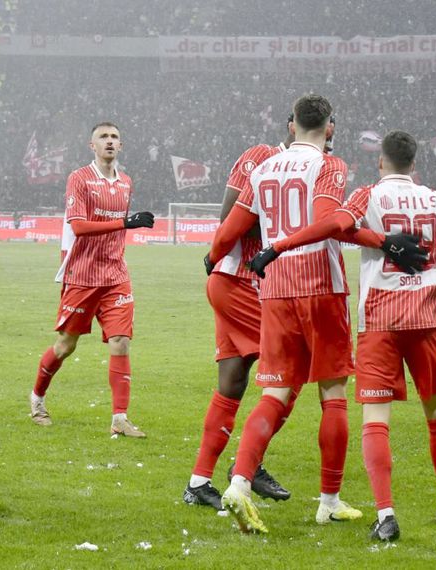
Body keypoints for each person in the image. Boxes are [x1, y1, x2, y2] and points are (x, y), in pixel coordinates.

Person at [205, 95, 424, 534]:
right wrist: (383, 240)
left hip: (275, 290)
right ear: (329, 128)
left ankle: (239, 484)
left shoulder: (263, 167)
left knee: (275, 393)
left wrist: (213, 258)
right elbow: (332, 222)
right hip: (320, 287)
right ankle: (329, 501)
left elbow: (229, 228)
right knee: (333, 393)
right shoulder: (330, 165)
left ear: (292, 126)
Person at [249, 130, 436, 542]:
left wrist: (279, 246)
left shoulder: (367, 195)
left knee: (377, 421)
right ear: (415, 164)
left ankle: (386, 514)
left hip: (378, 323)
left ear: (381, 162)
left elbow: (335, 225)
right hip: (426, 323)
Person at [182, 119, 298, 511]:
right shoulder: (261, 156)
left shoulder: (306, 168)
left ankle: (198, 482)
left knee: (232, 383)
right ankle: (249, 463)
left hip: (239, 282)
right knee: (291, 371)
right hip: (241, 279)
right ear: (292, 125)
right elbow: (228, 213)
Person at [28, 122, 155, 437]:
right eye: (104, 137)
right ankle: (37, 399)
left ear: (121, 146)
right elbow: (80, 227)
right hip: (83, 275)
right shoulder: (79, 179)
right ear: (92, 145)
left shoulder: (125, 182)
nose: (109, 142)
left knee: (121, 342)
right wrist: (125, 223)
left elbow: (116, 230)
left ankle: (120, 419)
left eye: (114, 137)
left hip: (115, 274)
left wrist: (125, 226)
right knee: (65, 345)